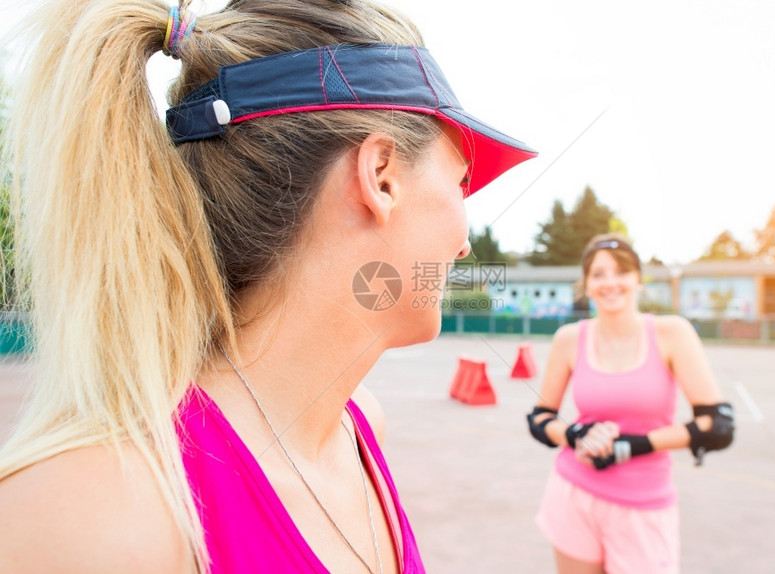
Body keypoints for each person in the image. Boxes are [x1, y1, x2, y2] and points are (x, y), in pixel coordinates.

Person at [0, 1, 537, 572]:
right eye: (459, 182)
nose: (464, 245)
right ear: (380, 176)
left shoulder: (357, 428)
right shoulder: (93, 518)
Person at [526, 234, 734, 574]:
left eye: (621, 272)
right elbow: (540, 419)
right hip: (573, 495)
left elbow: (718, 425)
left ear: (638, 279)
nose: (610, 282)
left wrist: (629, 447)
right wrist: (578, 436)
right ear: (586, 284)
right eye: (598, 274)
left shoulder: (672, 334)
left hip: (643, 505)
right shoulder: (569, 339)